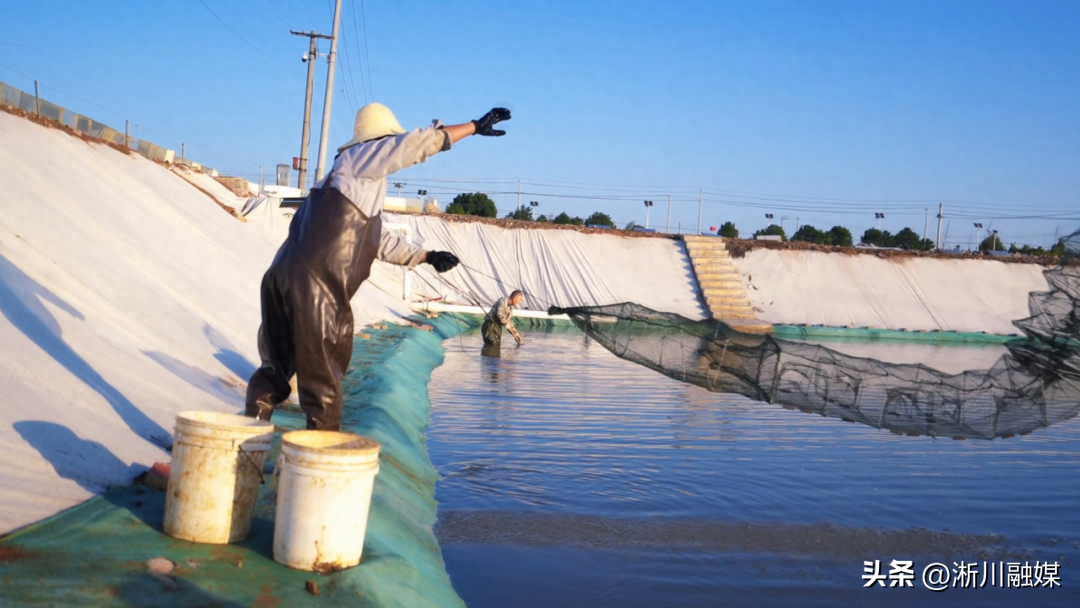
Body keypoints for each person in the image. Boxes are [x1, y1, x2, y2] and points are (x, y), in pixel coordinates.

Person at [245, 104, 512, 431]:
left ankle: (246, 450)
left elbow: (379, 241)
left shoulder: (338, 183)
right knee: (324, 383)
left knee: (274, 372)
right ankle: (320, 472)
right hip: (316, 287)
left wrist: (427, 256)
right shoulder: (361, 157)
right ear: (379, 139)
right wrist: (471, 127)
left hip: (280, 278)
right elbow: (411, 147)